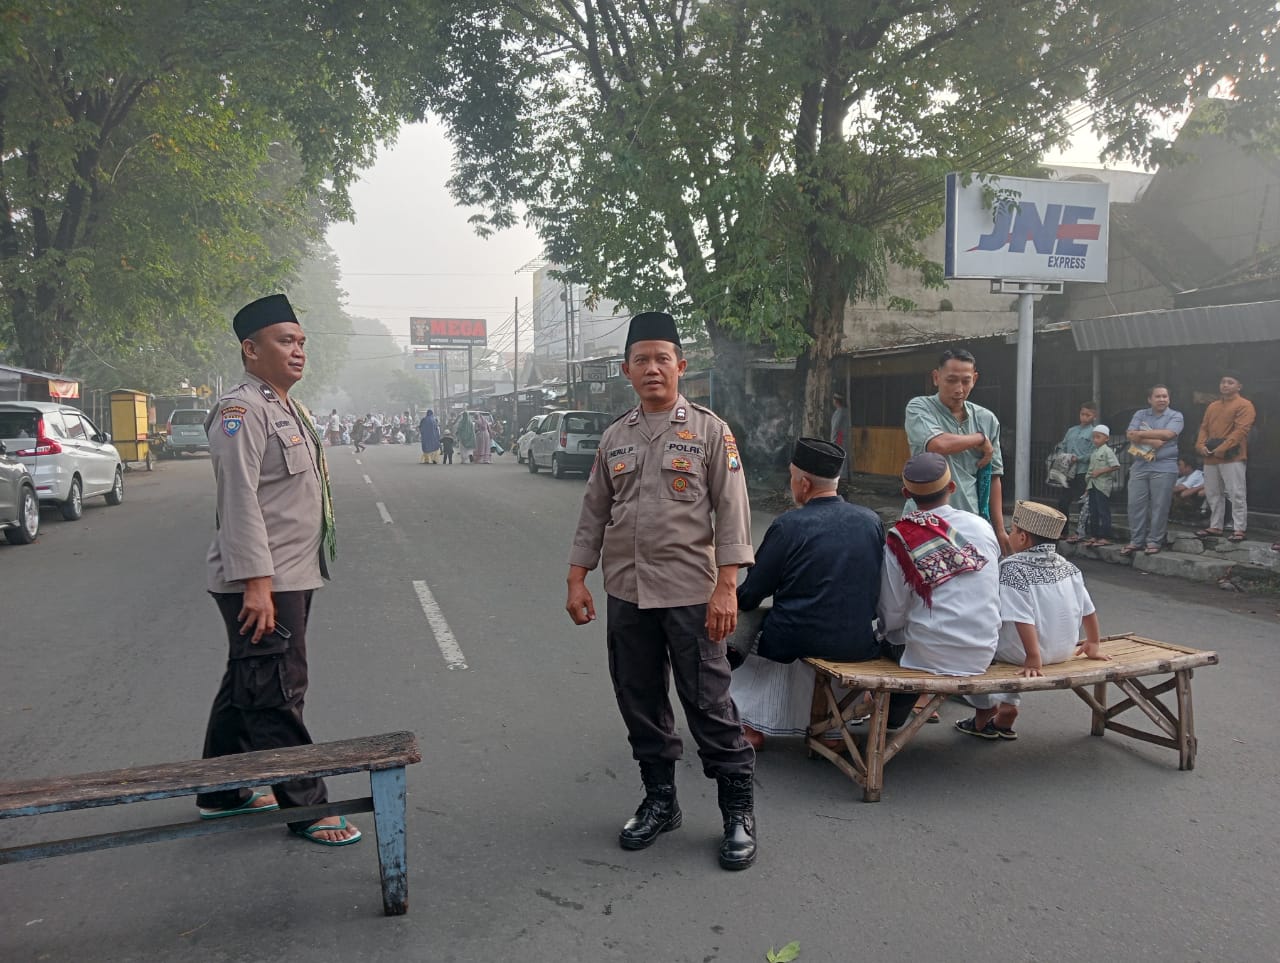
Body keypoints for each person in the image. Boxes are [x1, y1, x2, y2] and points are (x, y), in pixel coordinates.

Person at [566, 311, 757, 871]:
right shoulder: (614, 436)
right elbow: (594, 512)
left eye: (662, 359)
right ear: (627, 370)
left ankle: (737, 813)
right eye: (642, 360)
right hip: (627, 594)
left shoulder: (709, 431)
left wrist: (728, 588)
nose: (653, 369)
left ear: (681, 366)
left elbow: (732, 513)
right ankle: (660, 801)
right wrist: (578, 576)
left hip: (692, 596)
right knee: (640, 701)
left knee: (709, 704)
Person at [196, 294, 358, 846]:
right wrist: (257, 586)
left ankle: (220, 789)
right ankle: (306, 807)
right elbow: (238, 501)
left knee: (249, 677)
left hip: (293, 572)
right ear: (250, 348)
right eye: (285, 341)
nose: (298, 352)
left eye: (302, 342)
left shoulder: (287, 407)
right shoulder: (240, 412)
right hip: (266, 580)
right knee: (276, 689)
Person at [729, 437, 884, 750]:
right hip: (857, 640)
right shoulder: (872, 521)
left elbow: (753, 593)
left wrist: (729, 601)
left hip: (795, 638)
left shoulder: (789, 525)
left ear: (804, 483)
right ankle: (832, 726)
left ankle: (749, 724)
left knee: (743, 634)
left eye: (791, 476)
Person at [956, 502, 1109, 739]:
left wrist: (1033, 658)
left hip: (1028, 653)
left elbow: (1021, 617)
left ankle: (984, 712)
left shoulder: (1011, 568)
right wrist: (1093, 644)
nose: (1009, 534)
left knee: (974, 646)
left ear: (1023, 537)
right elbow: (1088, 610)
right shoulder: (1069, 567)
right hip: (1065, 650)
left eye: (1013, 530)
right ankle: (1005, 711)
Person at [877, 453, 1002, 724]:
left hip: (926, 653)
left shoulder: (900, 537)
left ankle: (890, 720)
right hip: (984, 649)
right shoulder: (983, 527)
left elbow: (893, 611)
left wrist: (884, 632)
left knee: (886, 638)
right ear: (953, 487)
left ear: (906, 493)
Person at [904, 347, 1009, 555]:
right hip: (924, 518)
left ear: (975, 379)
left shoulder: (987, 419)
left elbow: (994, 476)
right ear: (936, 377)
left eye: (966, 381)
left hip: (969, 520)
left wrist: (999, 530)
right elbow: (938, 445)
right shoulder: (919, 407)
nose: (959, 389)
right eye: (951, 380)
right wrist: (979, 438)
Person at [1122, 385, 1183, 556]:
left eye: (1165, 396)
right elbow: (1130, 434)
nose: (1162, 399)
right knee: (1135, 504)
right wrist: (1153, 440)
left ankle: (1154, 541)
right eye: (1158, 396)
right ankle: (1136, 541)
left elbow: (1168, 435)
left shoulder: (1176, 416)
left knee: (1159, 506)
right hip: (1140, 464)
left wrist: (1141, 435)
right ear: (1150, 399)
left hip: (1164, 466)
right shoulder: (1140, 414)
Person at [1195, 372, 1256, 542]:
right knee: (1213, 493)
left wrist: (1223, 448)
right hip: (1210, 455)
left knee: (1236, 493)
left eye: (1230, 382)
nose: (1225, 385)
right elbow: (1204, 428)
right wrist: (1200, 445)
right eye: (1223, 382)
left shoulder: (1245, 405)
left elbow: (1241, 430)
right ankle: (1216, 525)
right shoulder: (1212, 406)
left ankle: (1239, 528)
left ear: (1239, 386)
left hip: (1232, 456)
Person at [1057, 402, 1098, 543]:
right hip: (1068, 471)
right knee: (1063, 501)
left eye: (1088, 415)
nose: (1084, 417)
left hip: (1082, 471)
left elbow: (1093, 452)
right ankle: (1063, 531)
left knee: (1083, 503)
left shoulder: (1094, 433)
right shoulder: (1071, 431)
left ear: (1093, 416)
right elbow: (1063, 445)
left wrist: (1078, 458)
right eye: (1082, 414)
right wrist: (1063, 455)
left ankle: (1081, 532)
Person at [1081, 425, 1120, 547]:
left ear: (1106, 438)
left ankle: (1105, 536)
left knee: (1103, 511)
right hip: (1093, 485)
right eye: (1094, 437)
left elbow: (1116, 466)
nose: (1095, 440)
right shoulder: (1094, 452)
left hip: (1102, 486)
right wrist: (1087, 487)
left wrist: (1101, 471)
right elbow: (1090, 471)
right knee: (1093, 511)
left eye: (1098, 437)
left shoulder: (1107, 451)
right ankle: (1094, 535)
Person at [1172, 455, 1205, 521]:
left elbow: (1179, 489)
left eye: (1180, 465)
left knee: (1181, 494)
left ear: (1188, 467)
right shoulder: (1184, 477)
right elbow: (1174, 488)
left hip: (1201, 500)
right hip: (1192, 499)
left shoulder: (1196, 474)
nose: (1178, 467)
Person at [830, 392, 851, 488]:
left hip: (839, 437)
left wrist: (833, 440)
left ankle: (840, 478)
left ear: (836, 401)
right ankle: (842, 477)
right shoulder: (845, 411)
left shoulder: (840, 412)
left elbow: (835, 427)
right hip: (843, 436)